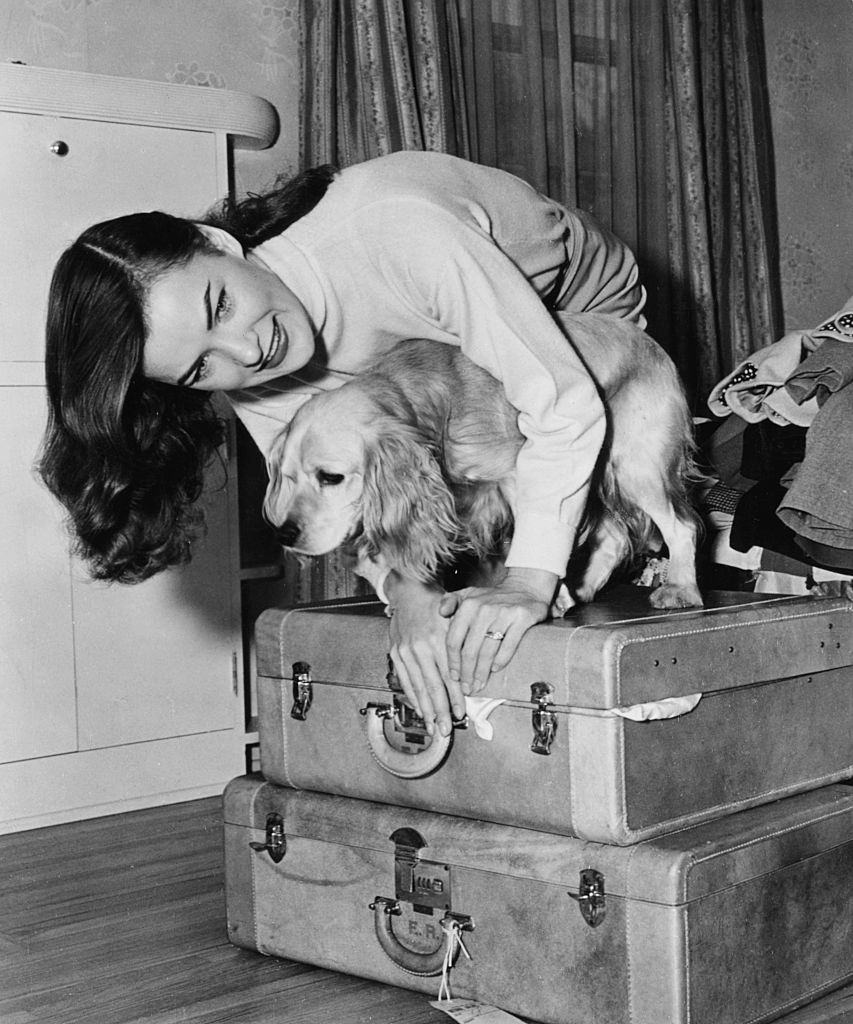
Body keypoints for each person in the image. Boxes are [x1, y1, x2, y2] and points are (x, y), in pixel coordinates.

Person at [41, 150, 648, 739]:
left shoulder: (397, 230)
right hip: (446, 369)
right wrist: (409, 598)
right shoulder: (259, 370)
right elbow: (353, 503)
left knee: (531, 566)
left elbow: (562, 401)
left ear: (221, 245)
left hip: (583, 319)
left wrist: (527, 581)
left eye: (220, 304)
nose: (248, 352)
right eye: (201, 368)